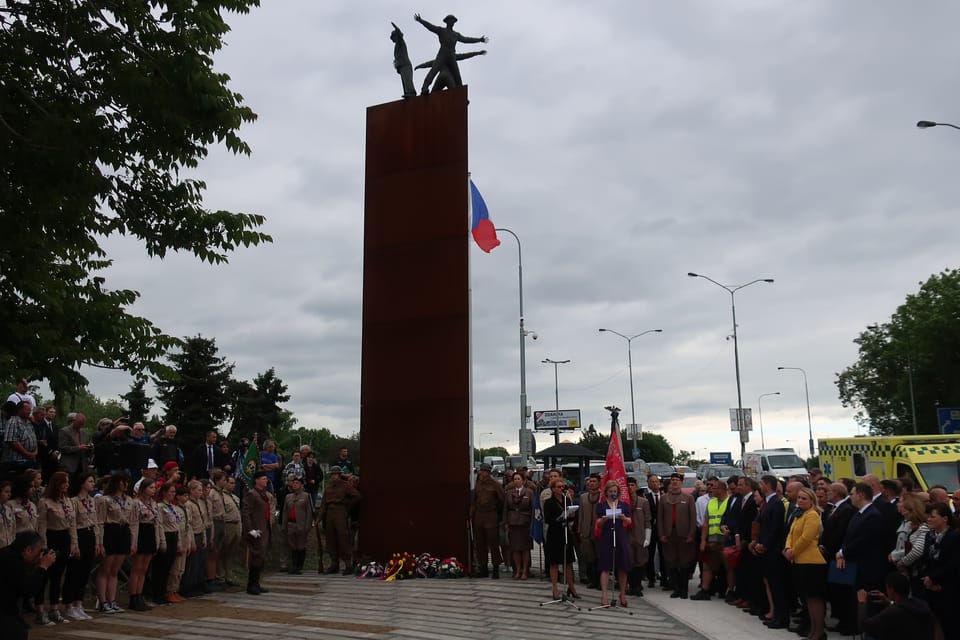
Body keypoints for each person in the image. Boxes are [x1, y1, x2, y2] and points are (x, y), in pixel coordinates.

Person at [783, 487, 827, 640]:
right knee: (807, 598)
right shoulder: (798, 515)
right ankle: (813, 630)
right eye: (799, 498)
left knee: (815, 598)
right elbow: (791, 534)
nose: (800, 501)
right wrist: (788, 547)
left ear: (811, 501)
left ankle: (819, 631)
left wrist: (792, 551)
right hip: (799, 561)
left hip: (811, 562)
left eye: (804, 498)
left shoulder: (812, 515)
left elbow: (806, 538)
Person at [0, 531, 58, 640]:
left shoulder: (8, 554)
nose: (40, 555)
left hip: (6, 609)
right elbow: (28, 590)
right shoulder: (12, 561)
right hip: (4, 613)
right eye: (38, 551)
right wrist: (43, 567)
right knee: (18, 632)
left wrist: (36, 566)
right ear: (28, 550)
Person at [413, 13, 487, 95]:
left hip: (451, 54)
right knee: (434, 70)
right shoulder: (441, 30)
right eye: (450, 20)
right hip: (443, 53)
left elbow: (466, 40)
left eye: (453, 21)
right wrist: (421, 20)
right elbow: (431, 27)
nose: (452, 22)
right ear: (446, 22)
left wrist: (479, 40)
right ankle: (424, 88)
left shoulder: (456, 34)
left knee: (457, 75)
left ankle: (461, 94)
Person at [35, 471, 75, 625]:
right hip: (51, 538)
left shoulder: (67, 500)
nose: (67, 485)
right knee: (44, 576)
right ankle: (40, 610)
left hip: (64, 538)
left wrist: (73, 544)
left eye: (68, 482)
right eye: (64, 482)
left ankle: (54, 608)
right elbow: (42, 526)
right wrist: (43, 547)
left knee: (57, 577)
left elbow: (71, 524)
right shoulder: (45, 502)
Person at [95, 471, 135, 614]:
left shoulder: (129, 500)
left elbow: (132, 522)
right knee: (105, 569)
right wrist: (99, 542)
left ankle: (112, 600)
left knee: (115, 570)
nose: (125, 485)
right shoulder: (104, 499)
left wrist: (132, 541)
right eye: (123, 482)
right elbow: (99, 521)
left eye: (127, 482)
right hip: (110, 532)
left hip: (123, 531)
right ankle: (102, 601)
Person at [918, 502, 960, 640]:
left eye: (933, 516)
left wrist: (935, 579)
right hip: (929, 586)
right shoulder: (929, 536)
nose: (929, 519)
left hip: (947, 588)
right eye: (928, 516)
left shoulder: (954, 537)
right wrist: (927, 578)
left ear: (944, 518)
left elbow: (953, 564)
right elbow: (925, 560)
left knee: (949, 626)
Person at [753, 474, 788, 629]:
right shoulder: (767, 503)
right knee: (772, 585)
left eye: (762, 483)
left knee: (777, 586)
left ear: (767, 485)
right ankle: (776, 615)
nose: (760, 486)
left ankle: (782, 617)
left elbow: (775, 529)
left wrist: (765, 545)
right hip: (766, 550)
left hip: (773, 551)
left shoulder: (776, 503)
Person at [857, 572, 936, 640]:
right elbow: (904, 610)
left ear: (891, 590)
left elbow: (865, 626)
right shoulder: (923, 605)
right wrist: (890, 603)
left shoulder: (892, 612)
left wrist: (862, 602)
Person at [62, 472, 97, 620]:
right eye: (90, 481)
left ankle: (79, 603)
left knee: (84, 572)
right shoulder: (74, 501)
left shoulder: (91, 501)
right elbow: (73, 523)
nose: (93, 484)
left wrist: (98, 541)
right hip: (79, 535)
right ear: (82, 483)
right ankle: (69, 605)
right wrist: (74, 544)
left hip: (90, 535)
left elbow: (95, 521)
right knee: (74, 572)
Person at [659, 472, 697, 599]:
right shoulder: (664, 498)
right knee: (672, 563)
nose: (675, 482)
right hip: (669, 535)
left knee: (684, 563)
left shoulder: (688, 498)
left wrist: (691, 534)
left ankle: (684, 589)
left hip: (684, 535)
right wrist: (662, 534)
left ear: (681, 483)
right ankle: (676, 588)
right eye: (673, 480)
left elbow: (693, 518)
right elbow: (660, 518)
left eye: (677, 480)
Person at [127, 478, 162, 611]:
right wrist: (133, 541)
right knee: (136, 567)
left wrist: (158, 540)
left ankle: (139, 595)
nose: (153, 490)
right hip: (141, 533)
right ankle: (133, 596)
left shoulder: (154, 503)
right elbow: (134, 523)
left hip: (150, 533)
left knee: (144, 569)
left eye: (154, 488)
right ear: (143, 488)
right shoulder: (136, 503)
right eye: (150, 488)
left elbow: (157, 522)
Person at [320, 466, 362, 575]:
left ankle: (348, 564)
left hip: (340, 512)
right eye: (332, 474)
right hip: (330, 513)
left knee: (343, 538)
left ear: (339, 475)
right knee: (331, 539)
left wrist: (347, 508)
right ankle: (334, 564)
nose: (333, 476)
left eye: (335, 474)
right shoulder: (328, 488)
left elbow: (357, 496)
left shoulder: (345, 485)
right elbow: (323, 504)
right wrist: (319, 518)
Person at [543, 477, 578, 601]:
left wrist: (571, 514)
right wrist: (560, 516)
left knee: (568, 562)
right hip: (554, 533)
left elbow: (571, 518)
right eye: (558, 487)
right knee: (554, 562)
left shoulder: (567, 500)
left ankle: (571, 586)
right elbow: (547, 519)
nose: (561, 489)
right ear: (553, 489)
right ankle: (555, 588)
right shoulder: (549, 502)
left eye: (563, 487)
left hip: (565, 532)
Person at [889, 493, 929, 595]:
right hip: (906, 570)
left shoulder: (922, 528)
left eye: (901, 502)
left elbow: (916, 550)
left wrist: (900, 562)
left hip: (913, 571)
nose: (898, 504)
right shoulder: (906, 523)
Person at [469, 462, 504, 578]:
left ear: (488, 472)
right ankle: (483, 568)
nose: (482, 473)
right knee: (480, 543)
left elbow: (501, 501)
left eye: (484, 471)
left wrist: (498, 516)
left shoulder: (495, 484)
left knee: (493, 543)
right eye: (481, 471)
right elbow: (474, 501)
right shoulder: (478, 484)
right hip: (479, 516)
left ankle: (495, 569)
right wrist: (471, 515)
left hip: (491, 516)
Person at [242, 471, 272, 595]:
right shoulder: (252, 494)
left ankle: (256, 583)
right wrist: (250, 529)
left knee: (261, 556)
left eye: (266, 478)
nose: (266, 481)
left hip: (264, 528)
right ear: (257, 480)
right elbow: (246, 512)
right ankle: (251, 585)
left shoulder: (263, 494)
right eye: (264, 478)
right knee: (256, 556)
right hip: (256, 529)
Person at [152, 482, 181, 606]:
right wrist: (162, 542)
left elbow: (177, 525)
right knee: (161, 568)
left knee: (168, 567)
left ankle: (164, 592)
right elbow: (160, 525)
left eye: (174, 492)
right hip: (165, 536)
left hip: (174, 536)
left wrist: (179, 541)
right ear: (164, 492)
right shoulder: (160, 506)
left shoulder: (172, 507)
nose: (173, 494)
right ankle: (157, 594)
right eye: (171, 492)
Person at [502, 471, 534, 580]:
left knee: (525, 548)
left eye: (518, 479)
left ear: (523, 481)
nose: (516, 481)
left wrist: (532, 523)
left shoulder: (529, 492)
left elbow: (533, 509)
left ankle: (525, 570)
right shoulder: (509, 492)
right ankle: (518, 570)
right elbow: (505, 509)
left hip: (525, 523)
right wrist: (505, 522)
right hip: (513, 523)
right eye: (514, 479)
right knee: (515, 548)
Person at [626, 477, 652, 597]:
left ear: (636, 486)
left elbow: (648, 520)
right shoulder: (623, 502)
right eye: (628, 485)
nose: (630, 487)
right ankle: (631, 585)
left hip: (640, 535)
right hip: (627, 536)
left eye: (632, 485)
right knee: (629, 561)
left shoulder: (643, 502)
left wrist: (648, 537)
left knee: (640, 561)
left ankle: (637, 585)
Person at [282, 476, 313, 574]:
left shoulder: (306, 496)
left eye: (297, 483)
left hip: (301, 525)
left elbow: (309, 512)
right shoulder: (288, 497)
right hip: (291, 524)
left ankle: (299, 566)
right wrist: (284, 525)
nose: (295, 485)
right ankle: (294, 565)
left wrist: (308, 526)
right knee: (292, 546)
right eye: (294, 483)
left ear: (301, 485)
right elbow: (285, 512)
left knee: (301, 546)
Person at [577, 474, 602, 588]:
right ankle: (592, 579)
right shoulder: (583, 497)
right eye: (590, 481)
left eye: (594, 481)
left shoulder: (603, 496)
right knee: (589, 557)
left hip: (599, 531)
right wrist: (580, 530)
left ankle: (600, 580)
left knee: (599, 556)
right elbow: (581, 515)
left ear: (599, 483)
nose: (592, 483)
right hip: (586, 531)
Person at [2, 401, 38, 480]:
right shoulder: (13, 421)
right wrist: (27, 453)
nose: (29, 412)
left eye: (30, 410)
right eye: (27, 410)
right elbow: (11, 441)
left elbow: (33, 438)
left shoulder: (28, 422)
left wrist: (35, 451)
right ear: (20, 410)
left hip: (30, 460)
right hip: (17, 461)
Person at [57, 413, 91, 494]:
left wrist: (88, 448)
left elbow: (85, 448)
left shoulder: (84, 433)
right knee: (69, 490)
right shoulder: (64, 431)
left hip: (81, 467)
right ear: (74, 421)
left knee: (78, 490)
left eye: (82, 424)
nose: (80, 426)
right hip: (69, 467)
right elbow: (62, 448)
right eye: (79, 423)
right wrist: (78, 448)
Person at [217, 475, 242, 585]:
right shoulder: (221, 496)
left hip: (237, 525)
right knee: (223, 551)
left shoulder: (235, 497)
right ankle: (220, 576)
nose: (233, 485)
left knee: (231, 552)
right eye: (230, 483)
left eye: (234, 483)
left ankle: (229, 575)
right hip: (228, 525)